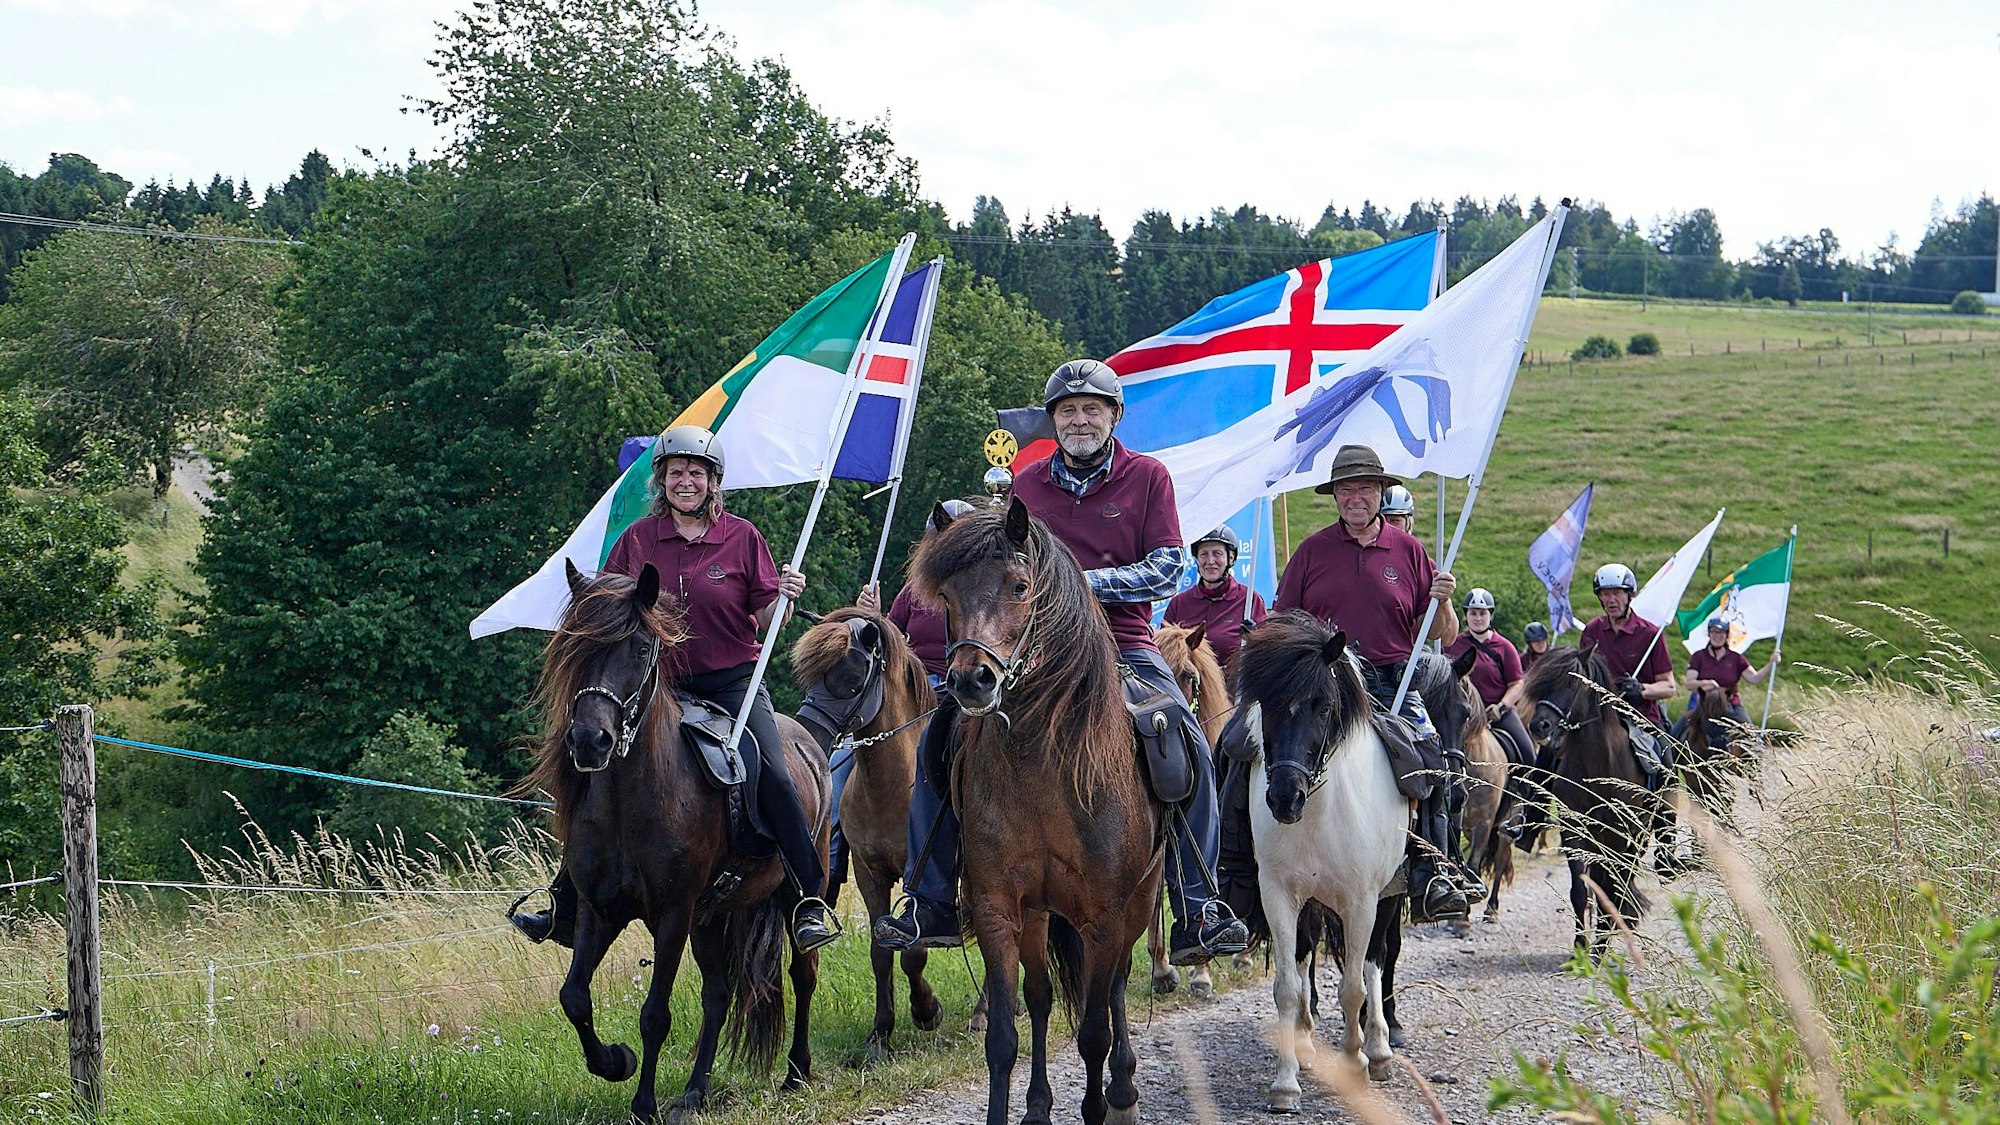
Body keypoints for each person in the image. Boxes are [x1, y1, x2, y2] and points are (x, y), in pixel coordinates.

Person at [874, 360, 1251, 965]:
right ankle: (930, 900)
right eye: (1067, 410)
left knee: (1186, 740)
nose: (1079, 420)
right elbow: (1004, 569)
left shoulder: (1148, 477)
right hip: (1035, 652)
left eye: (1091, 409)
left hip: (1124, 644)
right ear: (1053, 420)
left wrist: (1078, 584)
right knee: (939, 737)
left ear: (1113, 416)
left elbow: (1166, 568)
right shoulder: (1025, 485)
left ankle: (1198, 907)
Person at [511, 426, 838, 953]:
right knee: (585, 765)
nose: (686, 481)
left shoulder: (743, 537)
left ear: (713, 482)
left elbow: (766, 615)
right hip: (655, 685)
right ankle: (565, 901)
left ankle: (807, 900)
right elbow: (610, 610)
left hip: (732, 683)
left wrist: (785, 598)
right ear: (661, 481)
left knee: (774, 774)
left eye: (697, 473)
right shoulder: (637, 540)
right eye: (676, 472)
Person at [1270, 443, 1475, 922]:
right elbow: (1282, 623)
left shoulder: (1409, 551)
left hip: (1391, 683)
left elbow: (1444, 635)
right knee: (1245, 747)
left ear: (1382, 492)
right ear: (1334, 496)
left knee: (1433, 756)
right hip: (1324, 685)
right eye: (1345, 489)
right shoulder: (1311, 551)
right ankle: (1236, 873)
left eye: (1364, 487)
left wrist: (1444, 600)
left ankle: (1434, 870)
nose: (1355, 497)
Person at [1578, 563, 1676, 730]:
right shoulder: (1592, 630)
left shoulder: (1650, 633)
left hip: (1641, 717)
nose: (1611, 600)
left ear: (1630, 595)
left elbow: (1669, 686)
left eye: (1617, 593)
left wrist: (1640, 689)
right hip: (1598, 717)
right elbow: (1581, 675)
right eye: (1605, 594)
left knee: (1667, 747)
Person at [1162, 524, 1268, 671]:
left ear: (1231, 558)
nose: (1210, 561)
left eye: (1217, 554)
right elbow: (1165, 651)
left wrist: (1255, 640)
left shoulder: (1250, 600)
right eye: (1204, 554)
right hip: (1190, 682)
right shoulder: (1179, 603)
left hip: (1233, 682)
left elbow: (1266, 655)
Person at [1451, 589, 1536, 769]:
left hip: (1497, 712)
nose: (1478, 618)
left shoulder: (1505, 647)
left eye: (1483, 613)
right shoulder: (1453, 645)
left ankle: (1531, 786)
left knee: (1528, 755)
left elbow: (1517, 683)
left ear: (1491, 615)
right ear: (1465, 616)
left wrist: (1501, 707)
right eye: (1473, 613)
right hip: (1463, 713)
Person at [1670, 617, 1780, 743]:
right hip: (1704, 704)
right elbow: (1690, 684)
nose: (1717, 636)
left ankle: (1756, 753)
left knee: (1751, 734)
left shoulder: (1736, 658)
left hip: (1731, 703)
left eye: (1721, 632)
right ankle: (1671, 751)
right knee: (1677, 731)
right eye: (1714, 632)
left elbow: (1754, 678)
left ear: (1727, 635)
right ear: (1709, 634)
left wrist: (1771, 663)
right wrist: (1706, 683)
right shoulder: (1698, 656)